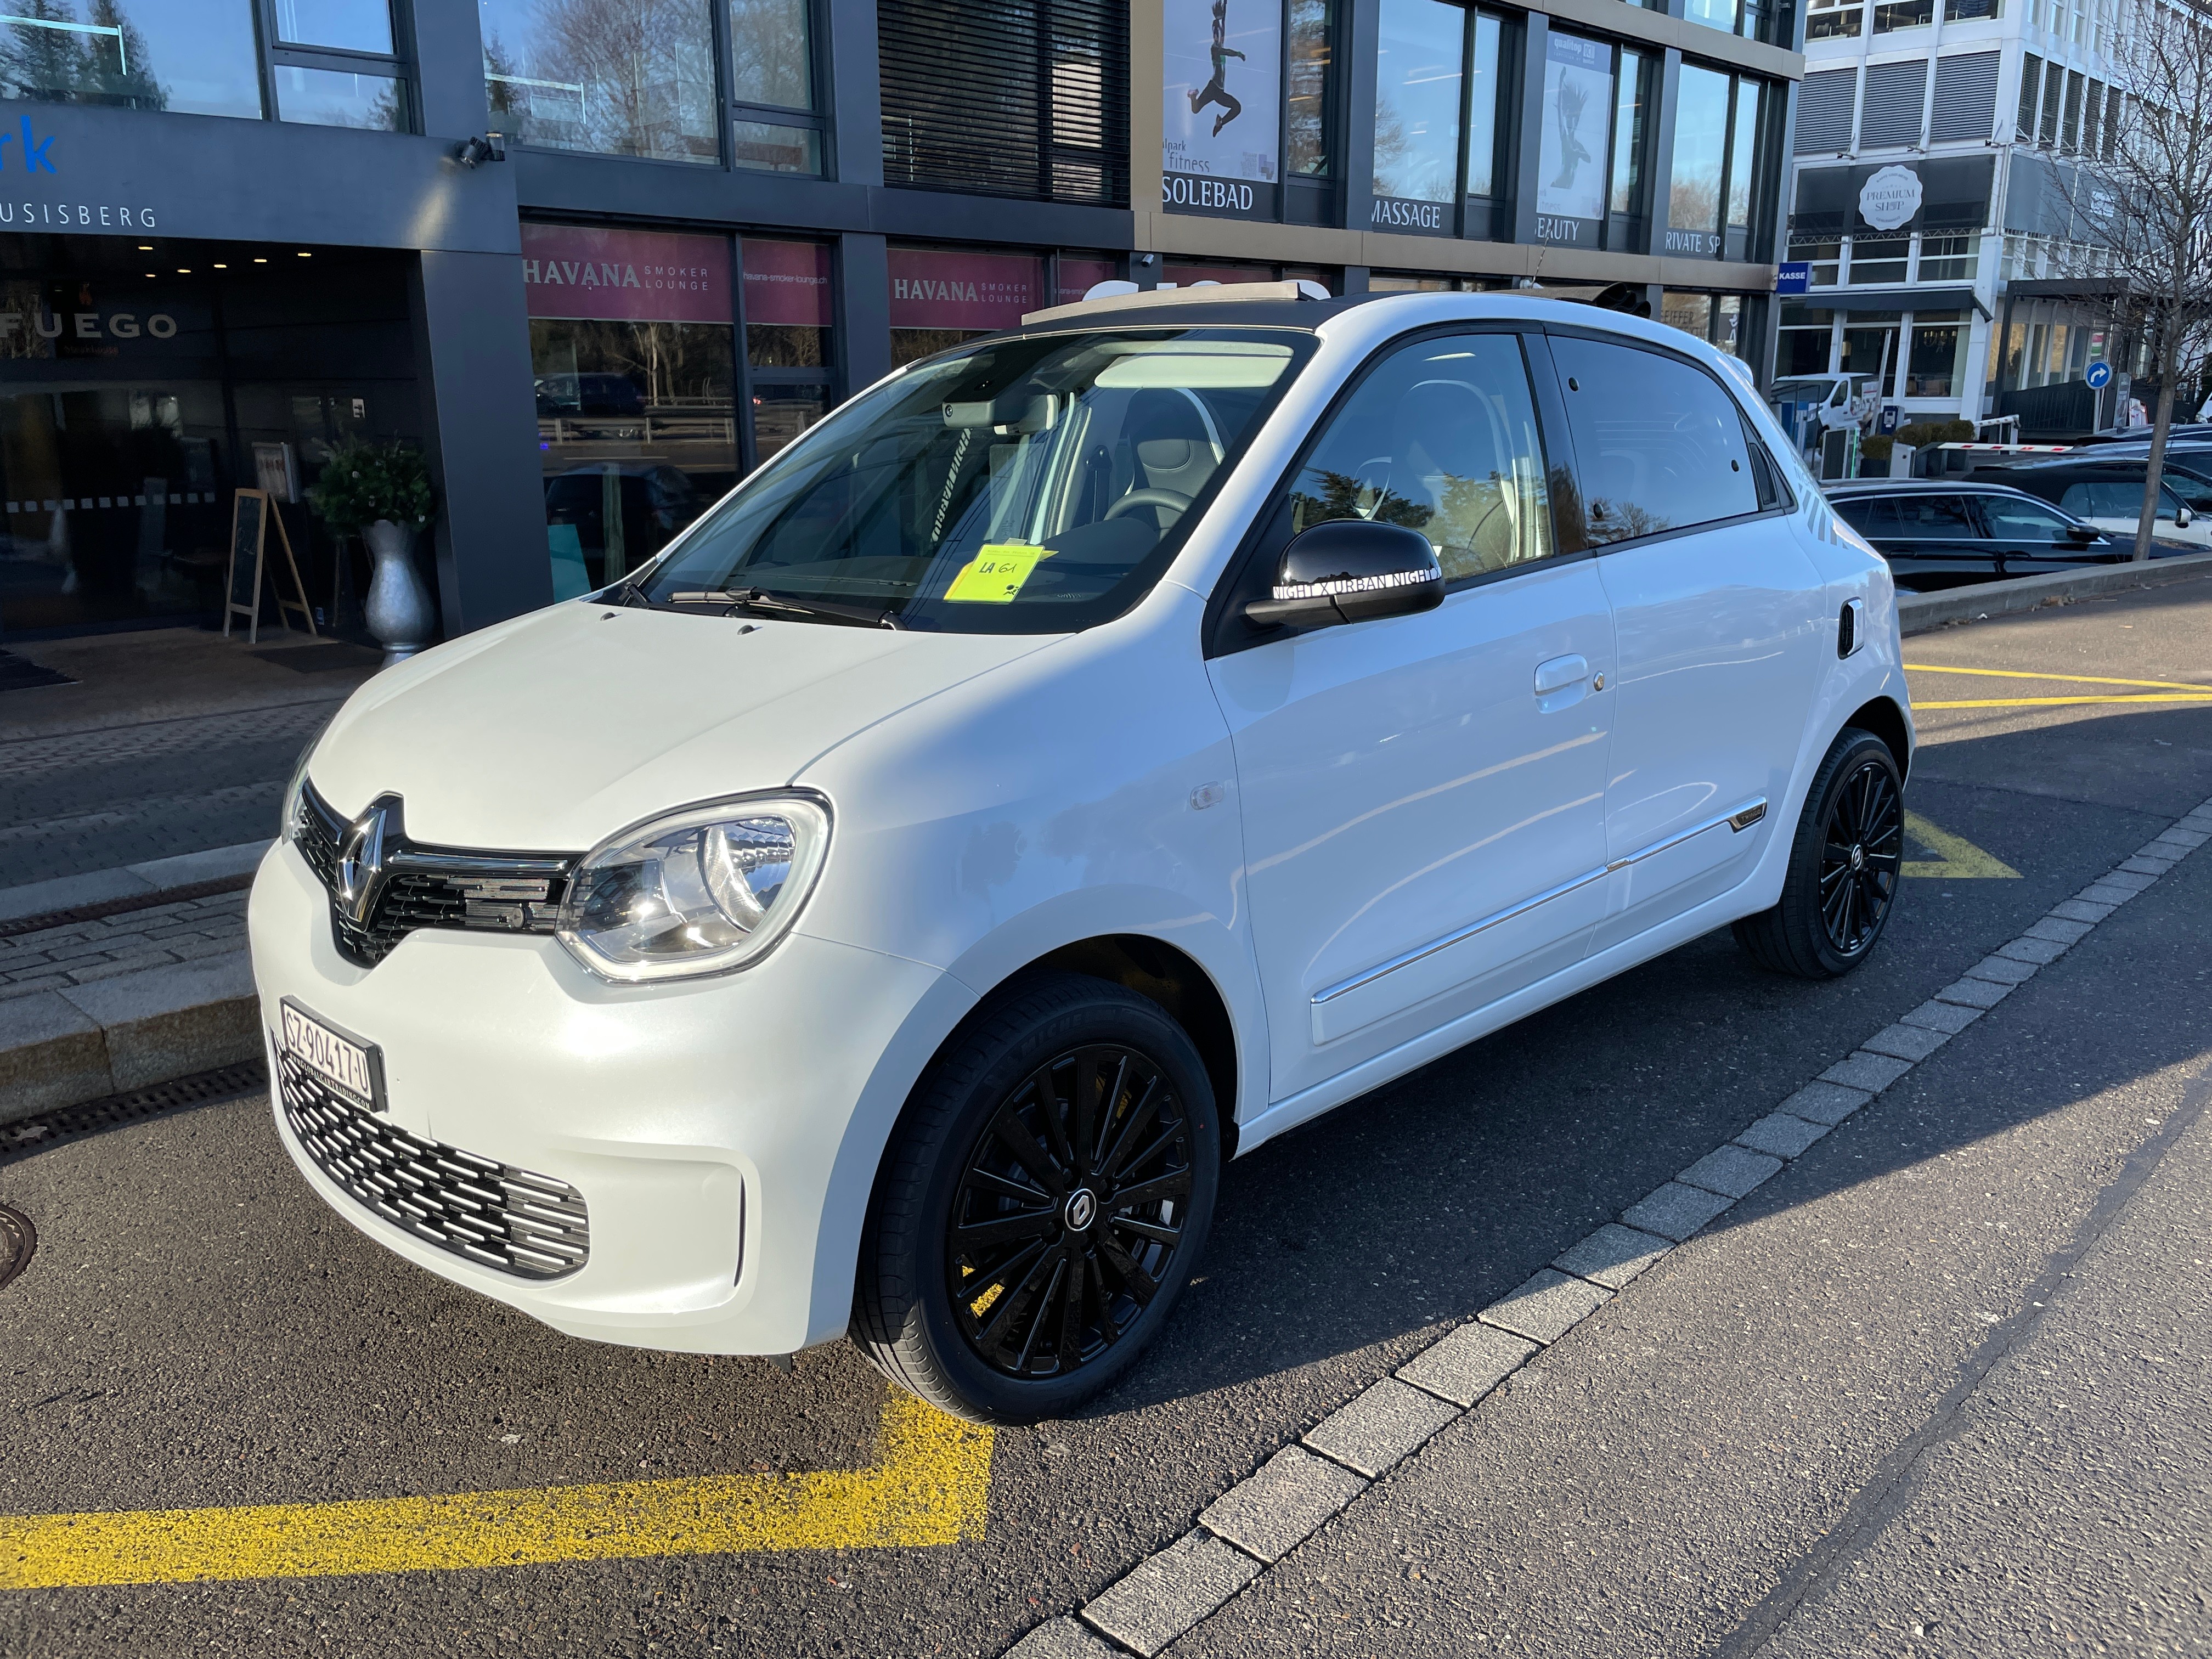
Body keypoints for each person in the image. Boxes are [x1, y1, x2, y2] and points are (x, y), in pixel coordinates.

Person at [1188, 0, 1245, 138]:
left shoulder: (1220, 42)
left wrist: (1224, 4)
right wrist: (1238, 54)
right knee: (1196, 110)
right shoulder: (1215, 49)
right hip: (1213, 87)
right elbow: (1227, 52)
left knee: (1237, 108)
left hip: (1219, 91)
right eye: (1217, 35)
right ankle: (1192, 96)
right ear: (1214, 36)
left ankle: (1220, 123)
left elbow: (1223, 22)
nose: (1219, 37)